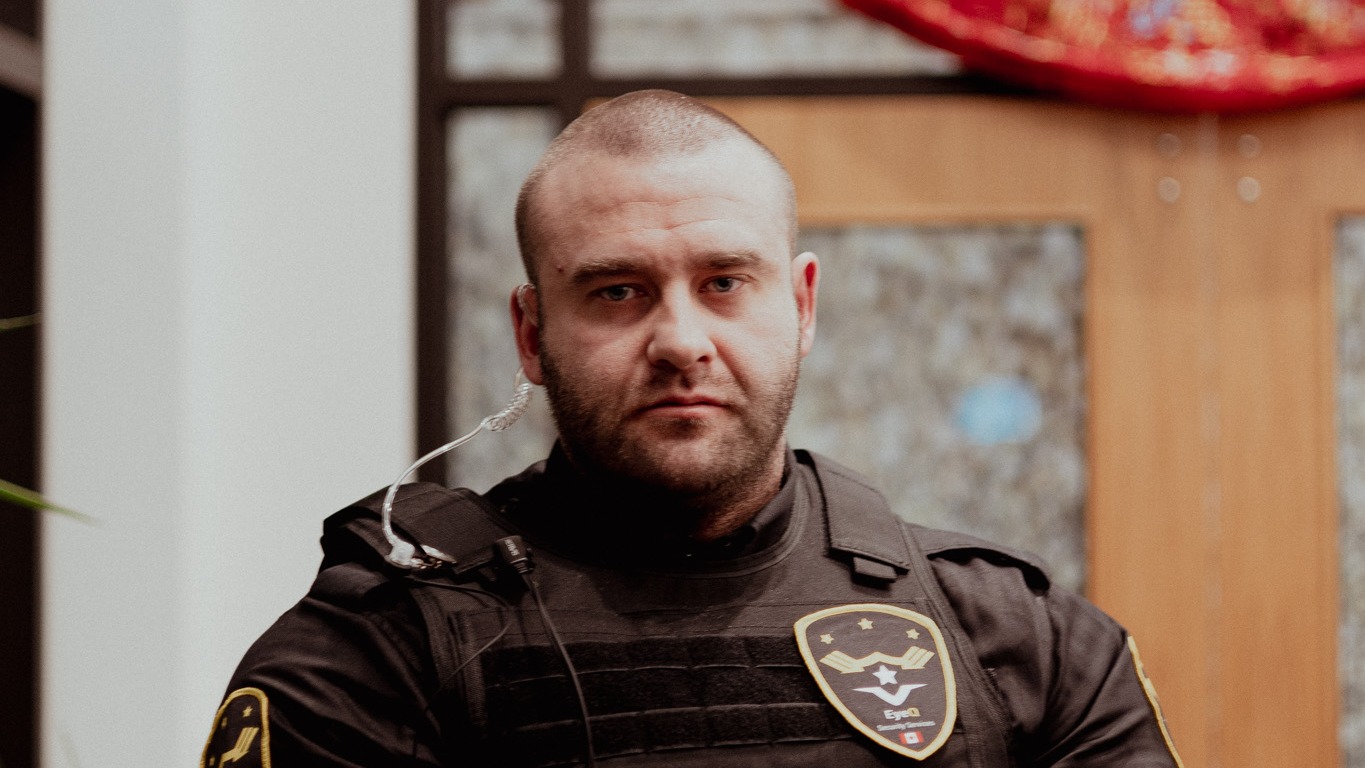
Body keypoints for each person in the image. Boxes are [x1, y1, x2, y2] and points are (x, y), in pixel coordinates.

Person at [201, 90, 1184, 767]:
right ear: (531, 334)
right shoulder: (380, 650)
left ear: (800, 305)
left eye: (723, 283)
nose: (680, 341)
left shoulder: (1020, 637)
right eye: (617, 291)